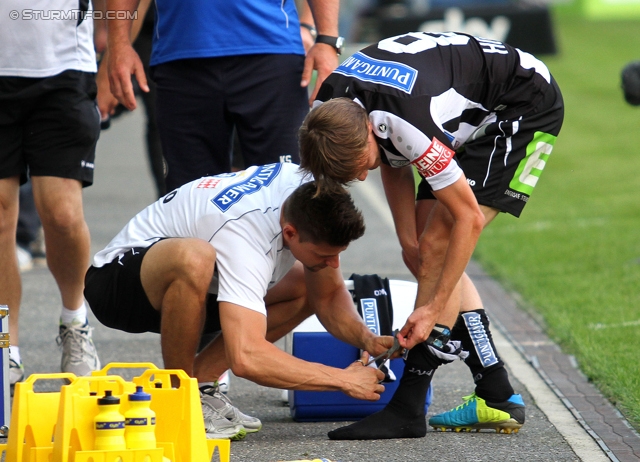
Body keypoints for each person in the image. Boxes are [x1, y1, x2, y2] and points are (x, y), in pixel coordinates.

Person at [298, 31, 564, 439]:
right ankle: (496, 392)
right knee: (426, 249)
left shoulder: (404, 121)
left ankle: (407, 407)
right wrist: (408, 244)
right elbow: (390, 161)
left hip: (524, 101)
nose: (361, 176)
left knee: (439, 243)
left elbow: (468, 220)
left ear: (371, 129)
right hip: (454, 94)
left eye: (361, 164)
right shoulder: (328, 109)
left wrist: (432, 307)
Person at [83, 162, 391, 440]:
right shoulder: (247, 241)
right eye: (327, 255)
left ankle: (202, 385)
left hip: (199, 278)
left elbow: (326, 295)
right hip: (117, 284)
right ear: (290, 232)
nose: (335, 264)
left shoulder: (306, 190)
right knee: (195, 258)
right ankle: (179, 398)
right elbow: (247, 359)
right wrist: (343, 380)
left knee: (305, 283)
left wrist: (368, 338)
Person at [104, 0, 344, 192]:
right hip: (181, 58)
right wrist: (118, 44)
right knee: (190, 199)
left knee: (288, 194)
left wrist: (327, 39)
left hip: (271, 53)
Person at [0, 0, 102, 386]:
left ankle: (75, 320)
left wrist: (118, 45)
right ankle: (5, 348)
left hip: (63, 67)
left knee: (61, 213)